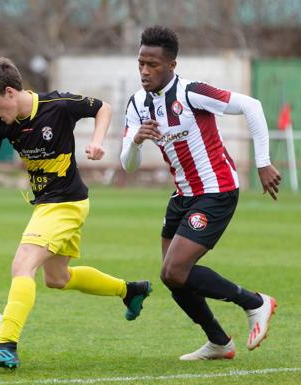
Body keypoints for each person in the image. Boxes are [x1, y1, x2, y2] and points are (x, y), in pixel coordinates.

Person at [0, 57, 151, 369]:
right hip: (50, 204)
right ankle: (130, 290)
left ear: (11, 92)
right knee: (57, 278)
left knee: (22, 265)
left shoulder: (58, 105)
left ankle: (6, 346)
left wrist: (97, 142)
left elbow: (103, 108)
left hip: (65, 203)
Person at [120, 26, 281, 361]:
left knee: (174, 271)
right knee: (172, 277)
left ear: (171, 65)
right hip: (182, 195)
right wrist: (137, 141)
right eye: (141, 64)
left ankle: (255, 302)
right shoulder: (137, 104)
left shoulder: (192, 93)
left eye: (153, 65)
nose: (145, 71)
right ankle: (220, 343)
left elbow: (252, 106)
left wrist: (263, 163)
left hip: (217, 189)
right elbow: (128, 165)